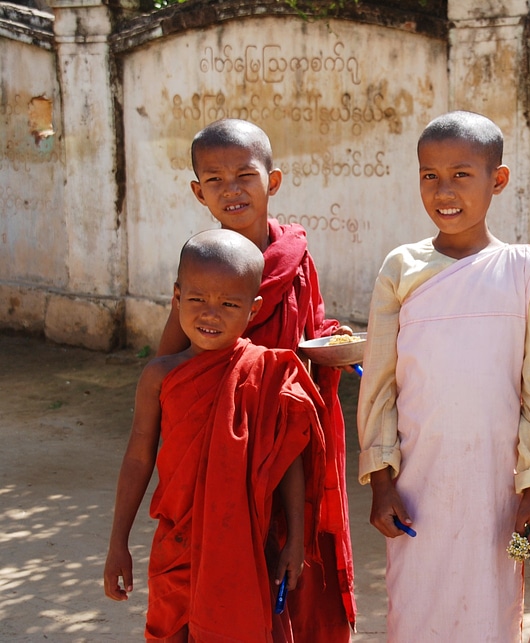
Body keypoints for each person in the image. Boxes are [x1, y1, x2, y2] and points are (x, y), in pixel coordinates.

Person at [356, 110, 530, 641]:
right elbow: (379, 385)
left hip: (497, 486)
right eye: (430, 175)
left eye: (461, 174)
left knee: (491, 609)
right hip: (417, 483)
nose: (443, 190)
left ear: (498, 179)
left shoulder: (525, 269)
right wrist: (381, 479)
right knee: (414, 608)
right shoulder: (401, 268)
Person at [156, 118, 356, 639]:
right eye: (215, 180)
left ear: (273, 180)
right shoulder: (204, 265)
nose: (231, 189)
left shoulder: (295, 258)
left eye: (244, 175)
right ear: (199, 192)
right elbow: (170, 368)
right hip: (224, 455)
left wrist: (332, 340)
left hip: (284, 446)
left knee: (288, 568)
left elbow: (311, 325)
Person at [104, 229, 327, 641]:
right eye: (197, 299)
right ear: (176, 297)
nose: (210, 314)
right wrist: (118, 542)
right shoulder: (159, 376)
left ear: (254, 309)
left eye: (229, 304)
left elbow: (288, 461)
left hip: (245, 547)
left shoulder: (266, 372)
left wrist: (295, 539)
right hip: (177, 544)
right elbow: (138, 458)